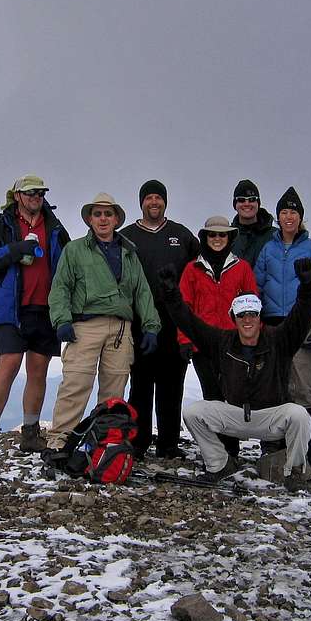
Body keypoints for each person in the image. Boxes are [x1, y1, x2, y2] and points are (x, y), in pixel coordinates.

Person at [155, 259, 311, 490]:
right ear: (234, 319)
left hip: (270, 416)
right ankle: (219, 465)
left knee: (299, 415)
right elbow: (189, 322)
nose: (248, 319)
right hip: (235, 414)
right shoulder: (222, 342)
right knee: (194, 412)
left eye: (253, 314)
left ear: (260, 318)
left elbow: (301, 317)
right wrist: (171, 294)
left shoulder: (279, 340)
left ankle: (295, 473)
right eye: (242, 315)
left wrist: (307, 286)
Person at [46, 192, 161, 452]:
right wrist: (62, 320)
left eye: (108, 214)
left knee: (114, 390)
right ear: (89, 219)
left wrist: (151, 327)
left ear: (116, 219)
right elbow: (61, 287)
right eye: (97, 214)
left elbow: (142, 292)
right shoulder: (74, 250)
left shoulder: (129, 253)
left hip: (121, 328)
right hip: (85, 326)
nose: (103, 218)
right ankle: (59, 440)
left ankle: (105, 442)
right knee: (76, 383)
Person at [0, 175, 70, 456]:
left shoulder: (54, 225)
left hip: (45, 308)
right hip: (10, 310)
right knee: (9, 364)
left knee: (38, 370)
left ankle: (30, 433)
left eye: (39, 192)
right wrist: (14, 250)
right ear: (17, 196)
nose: (35, 197)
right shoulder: (1, 226)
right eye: (29, 193)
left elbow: (67, 261)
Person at [253, 187, 311, 473]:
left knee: (305, 390)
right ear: (277, 216)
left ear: (301, 217)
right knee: (274, 389)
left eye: (293, 212)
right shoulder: (269, 248)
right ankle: (274, 452)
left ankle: (310, 459)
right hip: (273, 324)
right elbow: (257, 285)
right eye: (284, 212)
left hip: (301, 324)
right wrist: (255, 318)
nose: (288, 217)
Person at [119, 180, 200, 460]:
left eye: (158, 197)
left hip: (174, 323)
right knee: (140, 384)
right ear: (141, 202)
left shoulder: (182, 235)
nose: (154, 202)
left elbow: (198, 272)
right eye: (149, 198)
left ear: (165, 201)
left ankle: (168, 444)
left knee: (172, 385)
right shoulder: (126, 236)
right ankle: (138, 442)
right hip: (139, 323)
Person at [177, 215, 257, 460]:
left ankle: (231, 450)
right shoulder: (192, 269)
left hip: (234, 343)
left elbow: (251, 304)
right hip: (204, 344)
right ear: (205, 237)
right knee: (211, 396)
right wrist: (184, 340)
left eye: (222, 235)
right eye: (213, 234)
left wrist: (251, 339)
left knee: (232, 396)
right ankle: (217, 452)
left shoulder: (241, 268)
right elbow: (184, 307)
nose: (217, 239)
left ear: (230, 237)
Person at [230, 179, 276, 267]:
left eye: (252, 199)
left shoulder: (275, 236)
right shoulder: (227, 236)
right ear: (235, 204)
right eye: (241, 200)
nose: (247, 204)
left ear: (258, 203)